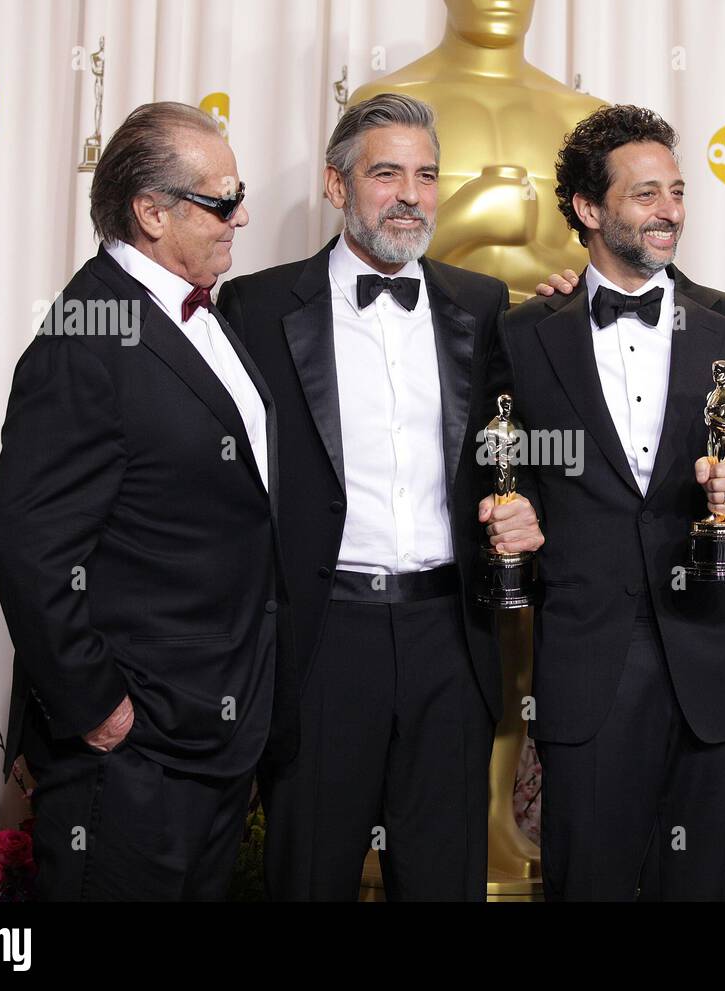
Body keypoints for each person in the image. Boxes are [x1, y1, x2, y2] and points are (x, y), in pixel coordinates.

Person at [216, 93, 542, 901]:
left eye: (427, 175)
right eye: (386, 172)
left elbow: (515, 446)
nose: (411, 194)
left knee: (444, 881)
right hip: (323, 636)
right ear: (336, 185)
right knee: (311, 876)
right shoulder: (257, 309)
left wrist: (523, 504)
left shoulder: (482, 303)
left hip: (448, 633)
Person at [0, 101, 294, 900]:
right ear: (152, 211)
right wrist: (101, 709)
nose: (243, 216)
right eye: (222, 200)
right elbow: (26, 544)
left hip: (215, 732)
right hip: (132, 754)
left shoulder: (201, 315)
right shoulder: (84, 339)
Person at [513, 105, 725, 900]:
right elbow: (498, 469)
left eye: (676, 190)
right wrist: (515, 515)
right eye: (645, 194)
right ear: (589, 209)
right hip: (586, 663)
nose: (669, 209)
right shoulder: (524, 332)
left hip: (711, 659)